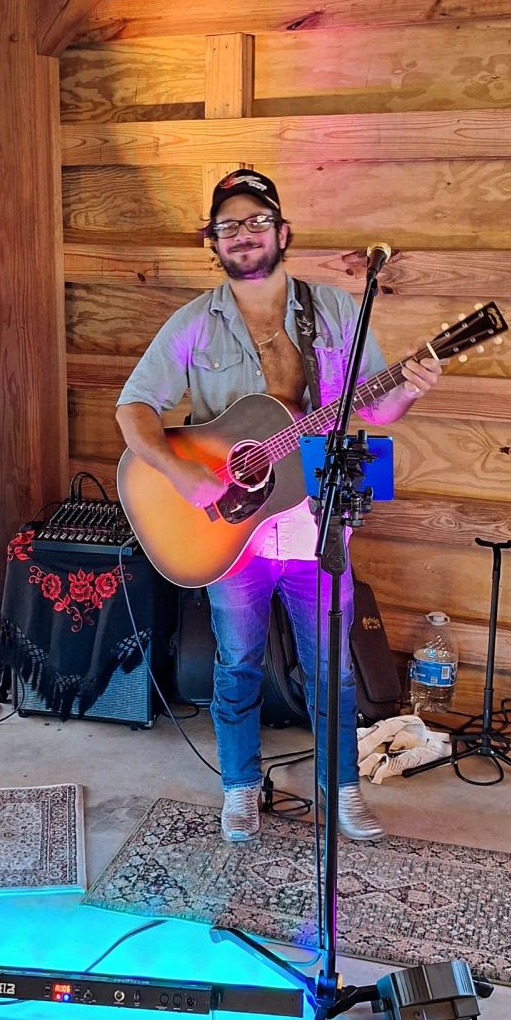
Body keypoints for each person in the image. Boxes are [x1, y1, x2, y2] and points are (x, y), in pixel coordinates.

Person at [115, 168, 441, 844]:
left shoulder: (335, 311)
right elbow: (134, 409)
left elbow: (377, 406)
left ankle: (341, 789)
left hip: (319, 521)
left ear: (282, 232)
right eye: (229, 225)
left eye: (257, 221)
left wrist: (409, 387)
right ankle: (239, 788)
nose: (244, 234)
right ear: (213, 241)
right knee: (237, 662)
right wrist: (179, 471)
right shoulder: (193, 324)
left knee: (334, 667)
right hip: (231, 529)